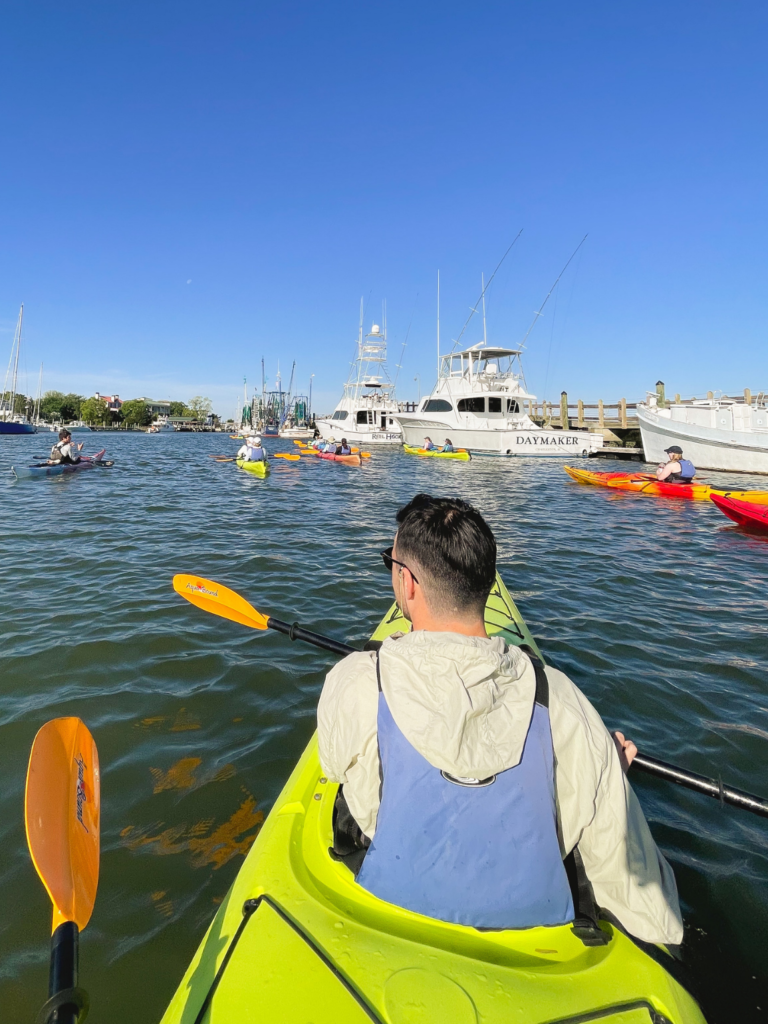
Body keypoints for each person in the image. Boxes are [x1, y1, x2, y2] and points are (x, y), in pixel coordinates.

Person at [318, 494, 683, 944]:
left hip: (392, 890)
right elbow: (631, 877)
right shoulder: (562, 698)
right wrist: (607, 768)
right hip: (532, 913)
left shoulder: (355, 678)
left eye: (390, 563)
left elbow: (333, 766)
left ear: (407, 583)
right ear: (488, 584)